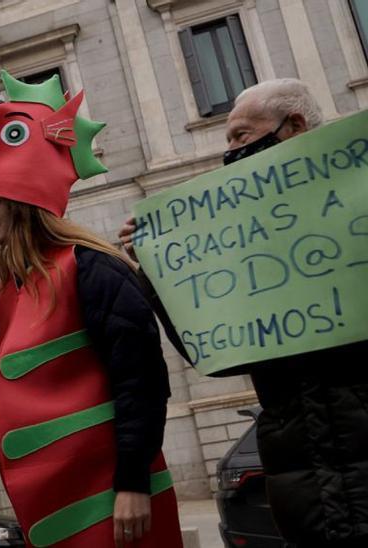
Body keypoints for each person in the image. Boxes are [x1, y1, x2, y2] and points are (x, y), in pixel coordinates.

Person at [119, 79, 367, 547]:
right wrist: (157, 269)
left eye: (241, 136)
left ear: (292, 127)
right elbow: (215, 351)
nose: (230, 151)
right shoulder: (249, 243)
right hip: (307, 499)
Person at [0, 70, 181, 547]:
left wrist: (132, 482)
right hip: (50, 505)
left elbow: (141, 380)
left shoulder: (94, 269)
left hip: (114, 498)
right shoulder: (7, 292)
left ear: (23, 201)